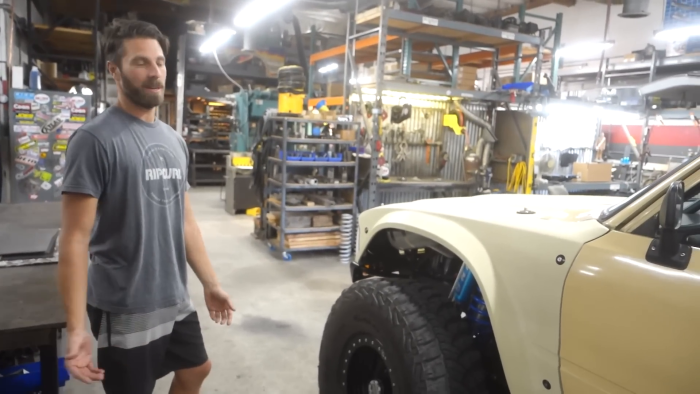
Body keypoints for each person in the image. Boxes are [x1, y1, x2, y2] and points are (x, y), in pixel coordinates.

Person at [57, 19, 235, 394]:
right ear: (114, 70)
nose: (155, 73)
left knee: (196, 368)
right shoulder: (94, 140)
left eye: (159, 62)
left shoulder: (174, 140)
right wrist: (76, 328)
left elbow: (185, 222)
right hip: (125, 304)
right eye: (141, 62)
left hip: (173, 295)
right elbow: (74, 239)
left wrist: (211, 283)